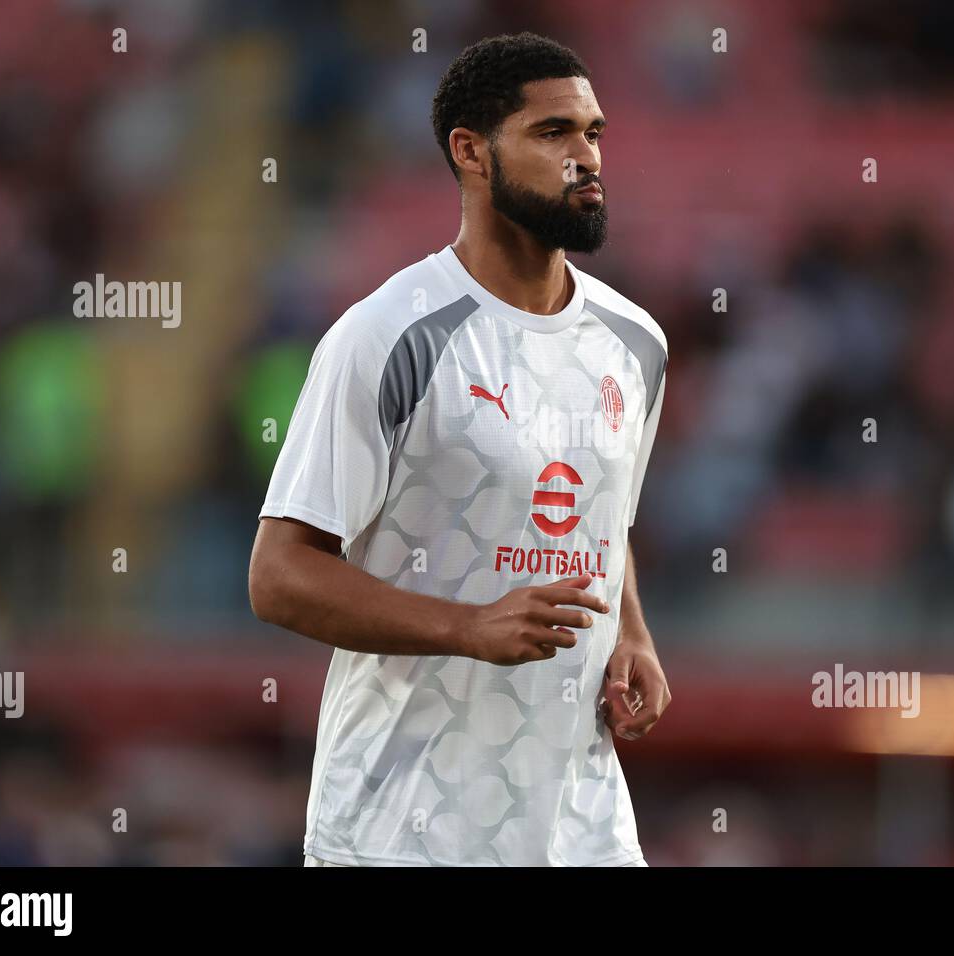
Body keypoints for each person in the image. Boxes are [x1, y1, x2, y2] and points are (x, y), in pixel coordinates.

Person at [249, 32, 669, 867]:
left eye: (594, 133)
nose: (586, 157)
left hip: (584, 833)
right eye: (553, 134)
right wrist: (466, 625)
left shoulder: (636, 342)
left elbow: (603, 522)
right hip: (400, 832)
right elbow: (279, 573)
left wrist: (633, 636)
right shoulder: (387, 336)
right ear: (471, 152)